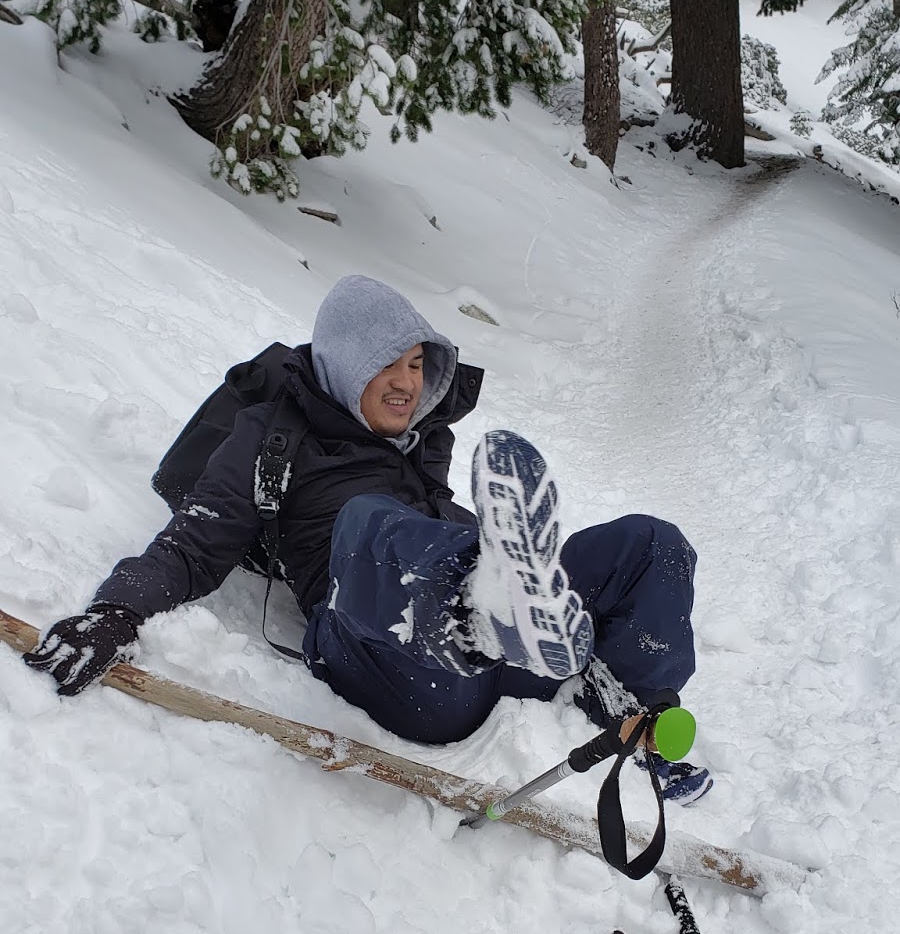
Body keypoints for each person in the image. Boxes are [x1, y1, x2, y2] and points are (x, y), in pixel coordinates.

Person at [23, 275, 711, 802]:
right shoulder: (275, 434)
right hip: (391, 659)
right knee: (369, 522)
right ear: (349, 359)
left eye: (419, 365)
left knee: (652, 544)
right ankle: (481, 608)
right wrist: (115, 611)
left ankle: (631, 710)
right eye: (394, 363)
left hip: (499, 655)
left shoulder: (420, 447)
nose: (410, 382)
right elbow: (193, 544)